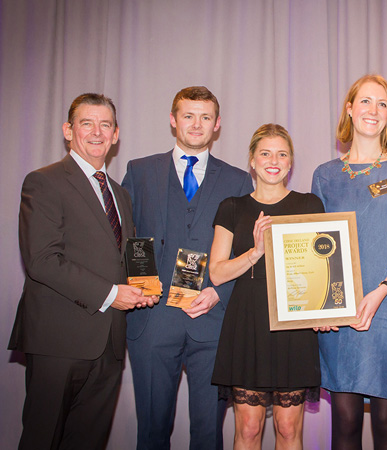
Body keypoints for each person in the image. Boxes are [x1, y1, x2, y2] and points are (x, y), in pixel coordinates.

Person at [8, 93, 158, 449]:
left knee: (88, 442)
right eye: (86, 123)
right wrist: (111, 294)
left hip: (108, 343)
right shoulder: (44, 182)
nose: (96, 132)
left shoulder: (120, 194)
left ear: (116, 134)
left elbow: (123, 256)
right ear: (68, 130)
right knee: (43, 439)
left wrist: (143, 285)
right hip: (59, 339)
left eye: (105, 125)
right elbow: (42, 260)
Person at [122, 86, 253, 450]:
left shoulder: (238, 180)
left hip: (212, 322)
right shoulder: (140, 171)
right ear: (173, 119)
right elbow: (123, 240)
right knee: (151, 431)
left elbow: (248, 252)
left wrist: (218, 292)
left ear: (217, 124)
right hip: (152, 320)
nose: (197, 124)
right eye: (188, 115)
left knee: (209, 433)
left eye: (205, 117)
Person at [311, 74, 387, 450]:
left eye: (382, 104)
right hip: (341, 313)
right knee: (345, 423)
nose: (373, 110)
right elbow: (316, 247)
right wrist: (320, 307)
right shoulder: (325, 175)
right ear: (349, 109)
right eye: (365, 101)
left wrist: (380, 292)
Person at [209, 123, 323, 449]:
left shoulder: (309, 205)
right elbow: (216, 273)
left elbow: (324, 270)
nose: (273, 160)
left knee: (289, 429)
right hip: (247, 323)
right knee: (248, 429)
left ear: (290, 163)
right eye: (265, 153)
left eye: (282, 154)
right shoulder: (231, 207)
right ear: (252, 160)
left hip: (294, 325)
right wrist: (256, 252)